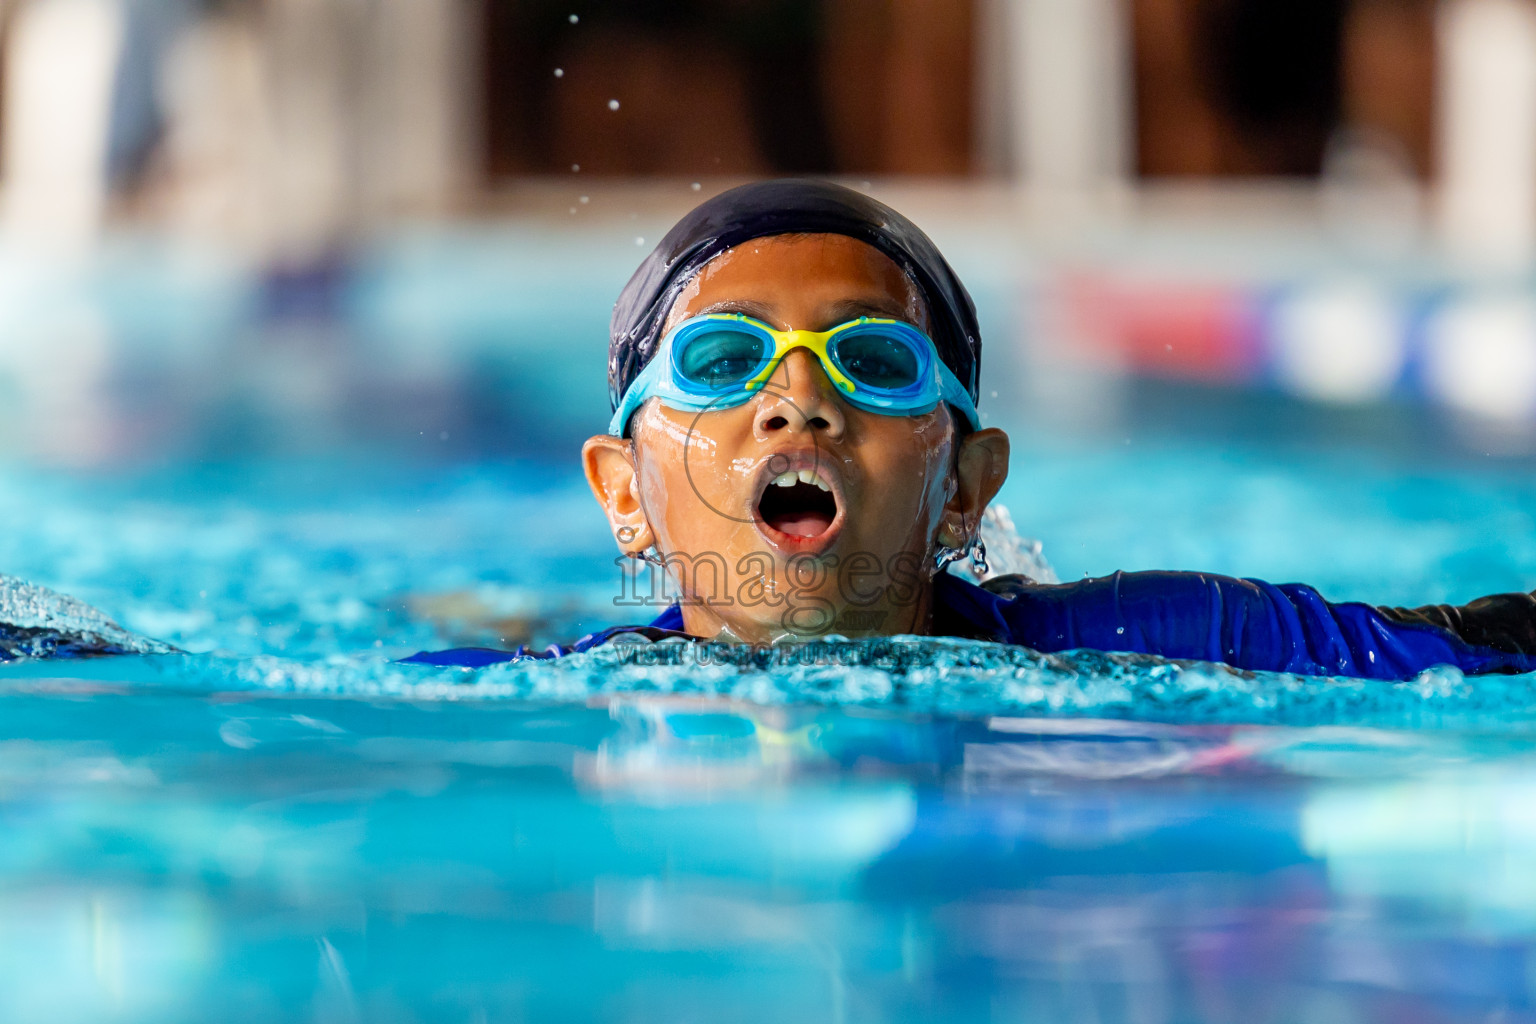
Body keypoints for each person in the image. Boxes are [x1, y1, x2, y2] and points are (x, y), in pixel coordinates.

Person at [406, 180, 1536, 680]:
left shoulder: (1131, 639)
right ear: (620, 488)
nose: (798, 399)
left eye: (874, 361)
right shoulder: (547, 691)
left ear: (965, 486)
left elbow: (1461, 645)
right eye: (724, 360)